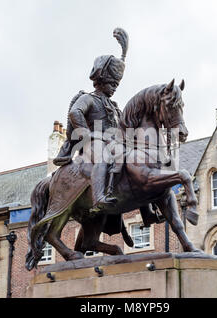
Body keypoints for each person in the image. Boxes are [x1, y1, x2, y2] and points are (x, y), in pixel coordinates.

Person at [53, 28, 128, 212]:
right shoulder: (88, 98)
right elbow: (75, 113)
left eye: (117, 84)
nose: (115, 88)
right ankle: (99, 198)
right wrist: (86, 136)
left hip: (111, 142)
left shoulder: (114, 105)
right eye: (112, 84)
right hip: (93, 142)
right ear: (101, 81)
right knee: (102, 157)